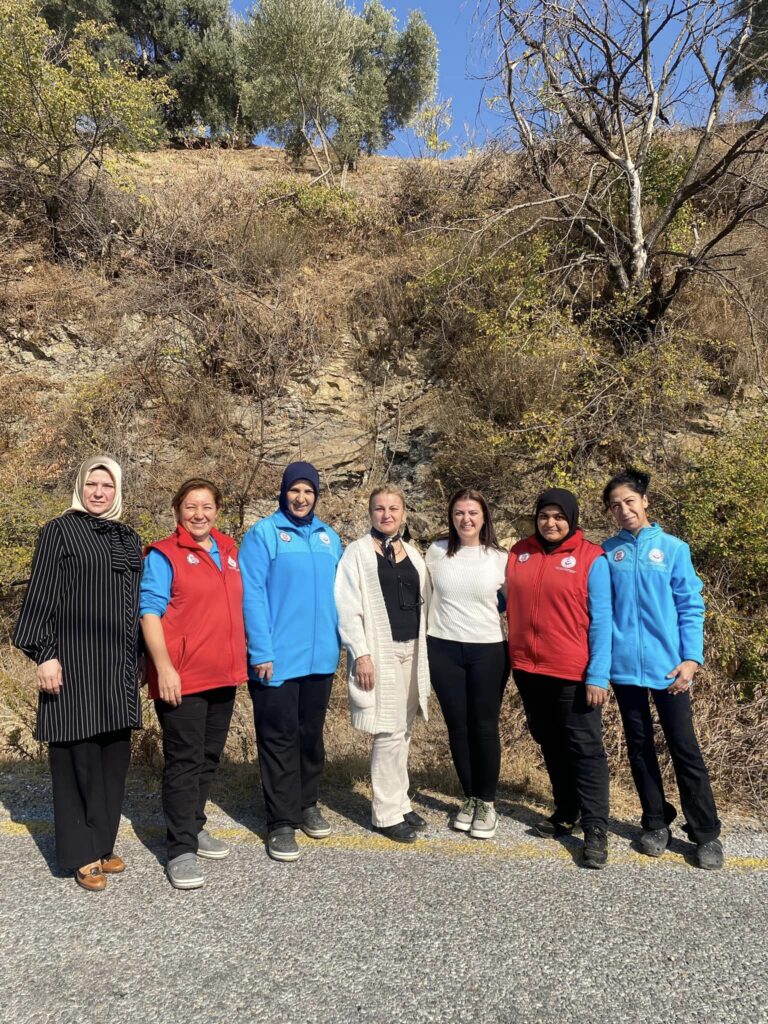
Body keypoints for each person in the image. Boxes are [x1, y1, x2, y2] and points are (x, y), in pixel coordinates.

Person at [13, 456, 142, 892]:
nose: (99, 492)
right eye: (92, 484)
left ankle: (103, 842)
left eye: (107, 485)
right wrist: (45, 654)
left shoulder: (128, 536)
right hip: (73, 664)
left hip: (117, 668)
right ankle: (80, 851)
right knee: (76, 759)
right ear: (80, 487)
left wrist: (140, 659)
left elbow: (135, 606)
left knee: (111, 758)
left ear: (117, 490)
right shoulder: (59, 531)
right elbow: (41, 597)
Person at [602, 468, 723, 870]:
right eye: (615, 505)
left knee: (684, 747)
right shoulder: (607, 553)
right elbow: (601, 613)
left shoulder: (673, 549)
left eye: (629, 501)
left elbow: (691, 606)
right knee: (639, 747)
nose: (623, 510)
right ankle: (655, 821)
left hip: (670, 668)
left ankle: (705, 832)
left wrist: (691, 659)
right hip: (624, 671)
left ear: (644, 501)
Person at [140, 478, 247, 890]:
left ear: (217, 510)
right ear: (178, 512)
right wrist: (163, 667)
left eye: (206, 507)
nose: (199, 514)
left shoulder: (229, 550)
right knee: (184, 762)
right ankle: (180, 847)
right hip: (181, 678)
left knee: (208, 757)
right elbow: (149, 612)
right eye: (190, 507)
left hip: (224, 674)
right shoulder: (164, 554)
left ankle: (195, 825)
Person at [239, 462, 343, 863]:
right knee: (278, 739)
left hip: (320, 660)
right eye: (295, 490)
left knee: (310, 736)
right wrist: (261, 651)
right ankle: (281, 821)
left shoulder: (329, 537)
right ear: (283, 492)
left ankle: (306, 803)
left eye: (309, 492)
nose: (301, 498)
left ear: (317, 496)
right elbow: (252, 595)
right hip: (277, 660)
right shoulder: (264, 535)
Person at [506, 488, 612, 869]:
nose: (551, 523)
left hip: (574, 672)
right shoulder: (519, 552)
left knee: (585, 749)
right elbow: (507, 597)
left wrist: (598, 674)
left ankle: (596, 828)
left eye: (559, 517)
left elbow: (602, 620)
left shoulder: (591, 558)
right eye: (544, 516)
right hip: (528, 669)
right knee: (549, 740)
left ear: (572, 519)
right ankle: (566, 811)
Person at [335, 486, 431, 843]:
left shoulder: (414, 553)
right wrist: (361, 653)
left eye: (393, 509)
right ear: (370, 512)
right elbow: (347, 607)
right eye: (379, 509)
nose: (386, 515)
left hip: (412, 650)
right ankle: (385, 813)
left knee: (404, 730)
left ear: (404, 513)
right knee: (387, 731)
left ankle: (401, 801)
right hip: (380, 651)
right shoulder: (357, 553)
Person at [425, 488, 509, 839]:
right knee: (458, 727)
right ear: (451, 516)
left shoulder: (500, 557)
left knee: (484, 726)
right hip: (443, 648)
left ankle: (487, 803)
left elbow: (510, 603)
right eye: (459, 513)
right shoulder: (436, 552)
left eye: (473, 513)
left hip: (488, 649)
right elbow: (425, 597)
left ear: (484, 517)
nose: (466, 519)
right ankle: (469, 797)